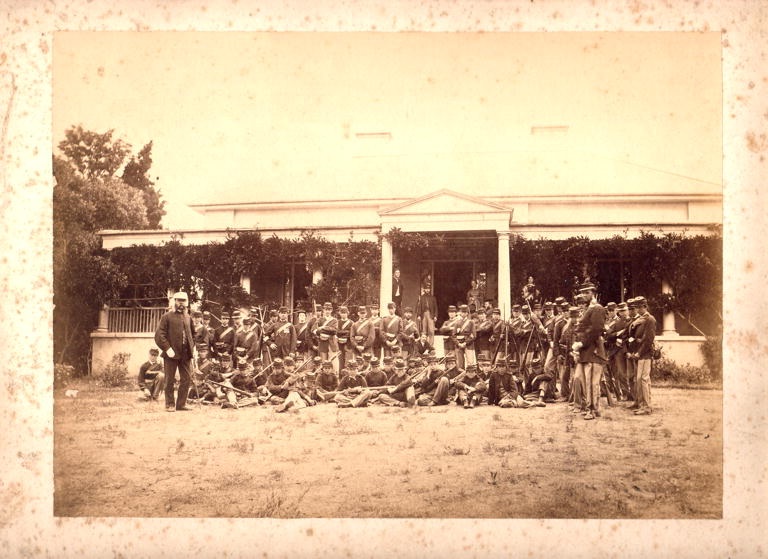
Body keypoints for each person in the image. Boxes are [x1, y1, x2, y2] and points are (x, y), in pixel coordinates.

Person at [154, 291, 196, 412]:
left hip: (185, 354)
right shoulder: (166, 316)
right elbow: (159, 335)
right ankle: (170, 404)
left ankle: (181, 404)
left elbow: (193, 334)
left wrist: (194, 348)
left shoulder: (188, 317)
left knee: (186, 379)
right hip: (171, 354)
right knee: (169, 380)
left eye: (183, 301)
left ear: (186, 302)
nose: (181, 303)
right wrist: (167, 348)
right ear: (175, 301)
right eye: (179, 301)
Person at [572, 282, 608, 420]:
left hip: (593, 351)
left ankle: (592, 410)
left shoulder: (597, 308)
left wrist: (581, 343)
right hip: (585, 351)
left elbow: (596, 330)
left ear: (593, 293)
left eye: (587, 292)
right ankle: (592, 408)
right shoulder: (589, 309)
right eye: (583, 292)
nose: (584, 295)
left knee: (592, 383)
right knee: (584, 381)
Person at [627, 296, 656, 415]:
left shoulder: (650, 319)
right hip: (639, 353)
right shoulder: (641, 319)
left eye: (639, 307)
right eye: (636, 307)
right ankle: (641, 403)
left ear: (645, 307)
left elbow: (649, 339)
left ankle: (646, 407)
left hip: (645, 354)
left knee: (643, 379)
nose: (637, 310)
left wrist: (639, 352)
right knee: (639, 379)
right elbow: (634, 336)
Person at [453, 304, 477, 370]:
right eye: (462, 312)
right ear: (460, 313)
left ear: (467, 313)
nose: (463, 314)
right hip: (459, 345)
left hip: (468, 344)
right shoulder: (457, 322)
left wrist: (465, 343)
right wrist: (458, 343)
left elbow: (473, 335)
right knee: (460, 364)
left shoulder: (471, 322)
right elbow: (454, 335)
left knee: (470, 364)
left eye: (465, 312)